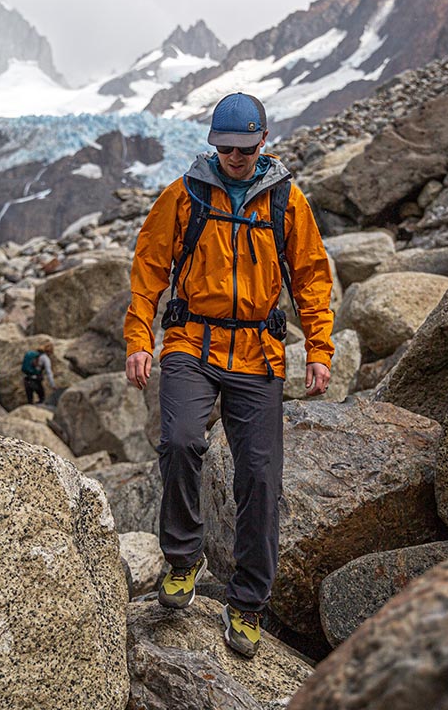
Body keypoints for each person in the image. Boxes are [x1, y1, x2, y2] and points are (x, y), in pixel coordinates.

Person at [123, 92, 334, 658]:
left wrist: (319, 348)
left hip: (259, 353)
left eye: (244, 147)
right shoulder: (185, 194)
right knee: (181, 441)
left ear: (263, 140)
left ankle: (247, 602)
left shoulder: (287, 199)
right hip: (191, 342)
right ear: (213, 144)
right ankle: (183, 559)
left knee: (261, 479)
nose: (235, 157)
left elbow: (311, 276)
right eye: (225, 147)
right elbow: (148, 268)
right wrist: (140, 339)